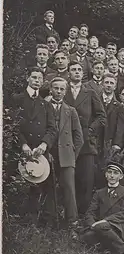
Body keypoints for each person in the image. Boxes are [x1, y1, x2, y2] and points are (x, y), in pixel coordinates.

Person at [13, 67, 57, 221]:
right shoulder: (17, 99)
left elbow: (52, 129)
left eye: (39, 78)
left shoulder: (45, 105)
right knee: (19, 185)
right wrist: (23, 144)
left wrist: (44, 144)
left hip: (39, 153)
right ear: (27, 78)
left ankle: (31, 223)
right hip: (20, 150)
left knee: (36, 187)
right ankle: (14, 221)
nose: (37, 81)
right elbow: (11, 125)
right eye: (34, 77)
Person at [64, 61, 106, 215]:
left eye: (79, 70)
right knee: (68, 182)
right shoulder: (63, 91)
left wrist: (89, 130)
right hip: (65, 143)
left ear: (83, 74)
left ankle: (84, 217)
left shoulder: (90, 93)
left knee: (86, 182)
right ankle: (69, 217)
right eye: (73, 70)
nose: (76, 72)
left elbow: (101, 117)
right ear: (68, 73)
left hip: (87, 144)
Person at [46, 77, 84, 234]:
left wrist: (72, 157)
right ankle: (49, 220)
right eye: (56, 88)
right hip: (47, 153)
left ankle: (72, 223)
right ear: (51, 89)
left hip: (67, 155)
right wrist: (45, 152)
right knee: (47, 187)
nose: (59, 91)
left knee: (69, 188)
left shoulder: (71, 111)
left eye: (62, 89)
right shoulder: (44, 107)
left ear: (65, 91)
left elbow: (79, 137)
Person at [81, 162, 124, 254]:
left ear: (121, 176)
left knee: (100, 229)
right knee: (87, 236)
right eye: (109, 172)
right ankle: (110, 249)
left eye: (115, 173)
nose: (112, 175)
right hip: (101, 226)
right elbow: (90, 212)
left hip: (120, 225)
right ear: (106, 174)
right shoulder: (99, 193)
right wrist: (92, 224)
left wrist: (105, 221)